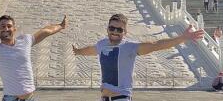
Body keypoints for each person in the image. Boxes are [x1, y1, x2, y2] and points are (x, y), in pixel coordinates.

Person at [72, 13, 204, 100]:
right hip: (104, 98)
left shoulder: (129, 47)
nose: (115, 32)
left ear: (125, 32)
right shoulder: (101, 44)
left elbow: (156, 44)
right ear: (107, 29)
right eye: (112, 28)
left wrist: (183, 38)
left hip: (121, 97)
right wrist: (77, 51)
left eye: (119, 30)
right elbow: (91, 50)